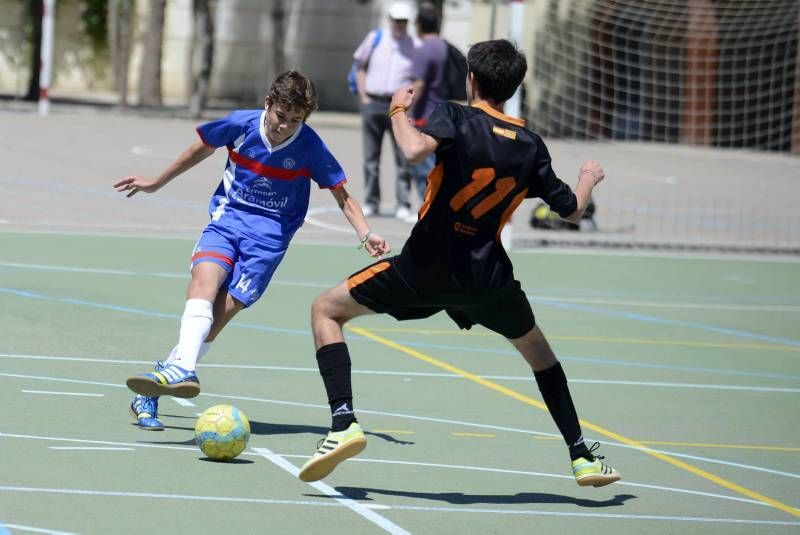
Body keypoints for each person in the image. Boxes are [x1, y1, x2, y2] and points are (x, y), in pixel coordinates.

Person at [297, 39, 620, 488]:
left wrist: (396, 109)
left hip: (424, 269)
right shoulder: (530, 145)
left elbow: (411, 150)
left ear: (471, 79)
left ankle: (343, 423)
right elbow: (571, 211)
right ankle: (581, 454)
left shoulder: (456, 117)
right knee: (541, 356)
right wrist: (588, 179)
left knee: (325, 310)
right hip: (486, 280)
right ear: (511, 87)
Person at [115, 70, 390, 430]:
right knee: (203, 280)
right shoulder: (241, 125)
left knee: (217, 317)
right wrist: (156, 182)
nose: (285, 126)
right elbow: (200, 148)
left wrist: (365, 233)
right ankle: (183, 368)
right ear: (268, 104)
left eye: (295, 120)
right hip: (227, 221)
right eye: (280, 116)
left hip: (269, 241)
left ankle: (154, 386)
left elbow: (341, 193)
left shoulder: (309, 145)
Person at [353, 1, 416, 219]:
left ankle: (403, 203)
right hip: (373, 102)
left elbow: (417, 79)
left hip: (398, 106)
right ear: (389, 20)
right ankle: (371, 201)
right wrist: (363, 96)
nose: (400, 24)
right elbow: (360, 65)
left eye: (404, 21)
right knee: (371, 158)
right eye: (397, 20)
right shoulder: (375, 38)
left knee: (403, 157)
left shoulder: (413, 45)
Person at [407, 3, 448, 217]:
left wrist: (408, 112)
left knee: (421, 165)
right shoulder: (442, 46)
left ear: (419, 25)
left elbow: (419, 84)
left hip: (424, 115)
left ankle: (430, 208)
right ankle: (432, 206)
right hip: (439, 110)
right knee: (433, 165)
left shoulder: (424, 49)